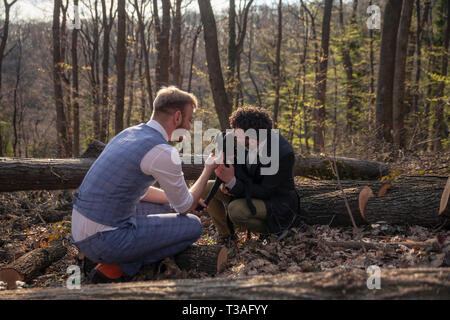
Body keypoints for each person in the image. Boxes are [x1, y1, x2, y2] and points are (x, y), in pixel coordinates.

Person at [71, 86, 218, 283]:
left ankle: (114, 263)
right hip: (103, 240)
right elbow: (184, 207)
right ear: (177, 118)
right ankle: (116, 267)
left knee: (167, 208)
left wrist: (174, 199)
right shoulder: (163, 151)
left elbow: (137, 192)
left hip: (81, 228)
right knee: (193, 225)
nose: (190, 127)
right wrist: (208, 168)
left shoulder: (128, 134)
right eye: (189, 120)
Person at [202, 106, 301, 243]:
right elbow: (243, 170)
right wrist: (226, 183)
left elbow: (266, 192)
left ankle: (271, 232)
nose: (235, 136)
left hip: (276, 203)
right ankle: (226, 236)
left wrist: (232, 183)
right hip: (250, 191)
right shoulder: (246, 142)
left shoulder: (282, 153)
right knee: (207, 188)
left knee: (236, 210)